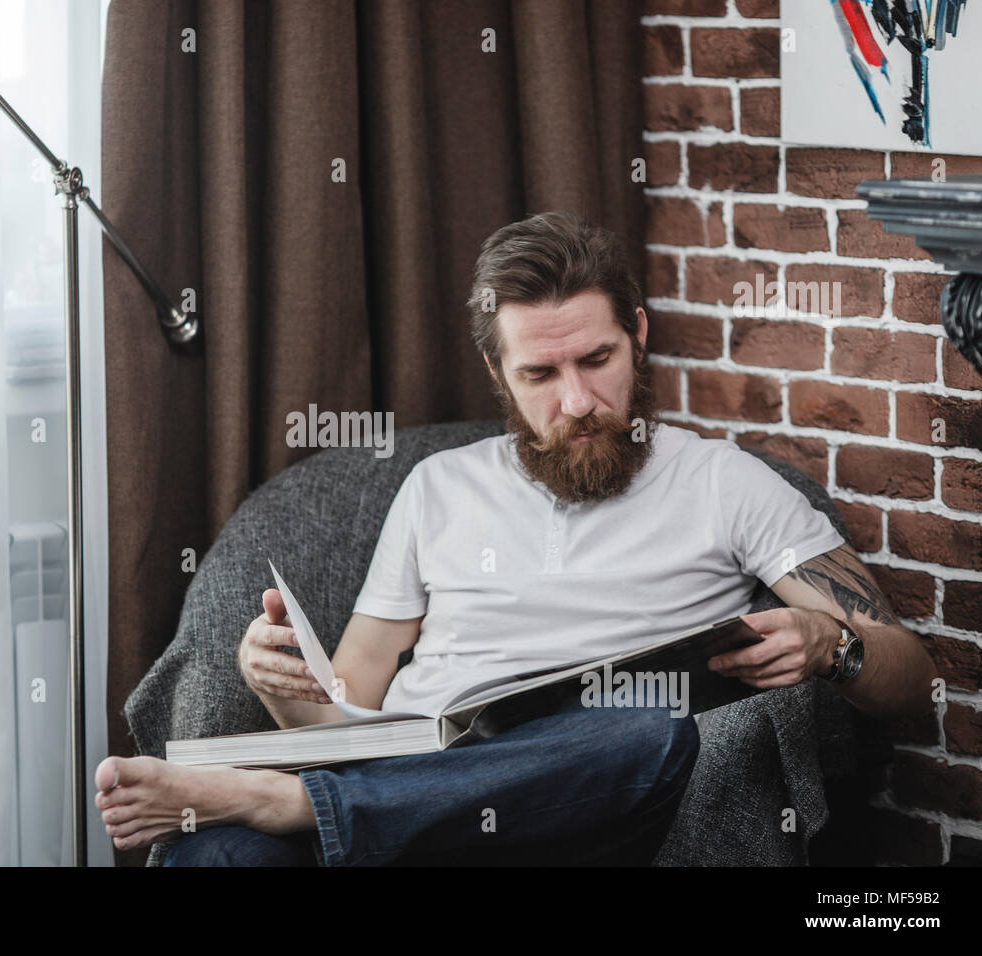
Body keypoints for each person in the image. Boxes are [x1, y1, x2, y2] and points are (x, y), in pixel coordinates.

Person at [94, 211, 937, 866]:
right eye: (541, 374)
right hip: (412, 793)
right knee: (221, 852)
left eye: (597, 360)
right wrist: (276, 679)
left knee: (643, 732)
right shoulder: (438, 489)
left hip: (574, 804)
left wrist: (834, 645)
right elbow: (345, 728)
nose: (577, 402)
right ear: (499, 374)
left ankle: (292, 807)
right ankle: (299, 814)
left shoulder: (724, 482)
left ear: (637, 336)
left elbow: (913, 682)